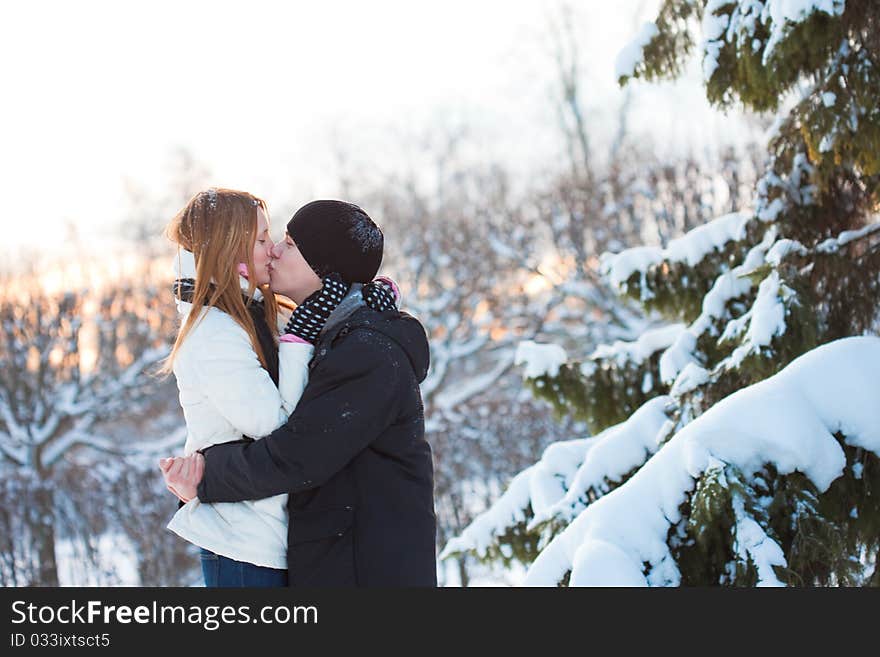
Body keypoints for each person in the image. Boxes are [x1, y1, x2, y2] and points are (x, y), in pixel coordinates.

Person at [161, 199, 437, 587]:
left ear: (321, 266)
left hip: (366, 566)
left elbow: (297, 454)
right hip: (336, 558)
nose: (274, 249)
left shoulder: (367, 350)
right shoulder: (325, 332)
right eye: (269, 239)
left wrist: (206, 478)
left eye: (289, 243)